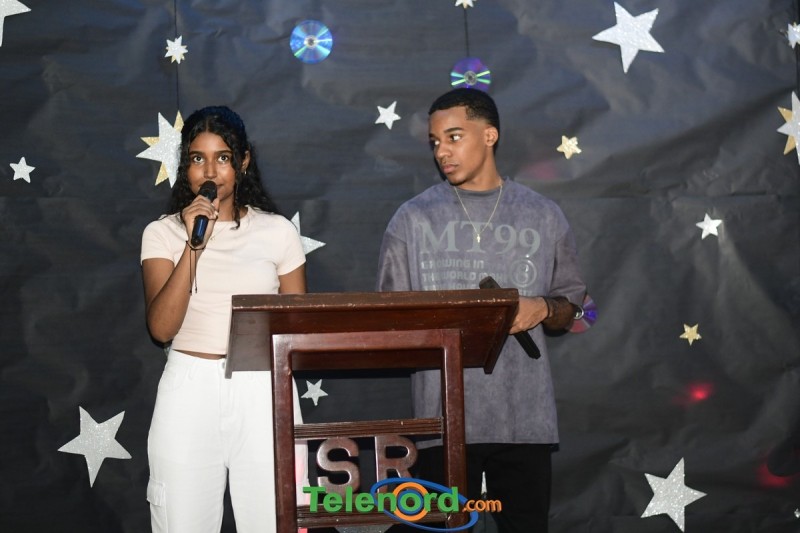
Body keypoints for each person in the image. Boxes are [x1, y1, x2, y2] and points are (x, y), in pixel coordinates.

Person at [376, 88, 587, 532]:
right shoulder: (411, 219)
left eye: (454, 137)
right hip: (442, 423)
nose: (442, 151)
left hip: (525, 420)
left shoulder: (543, 214)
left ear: (489, 135)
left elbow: (570, 306)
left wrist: (541, 307)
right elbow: (388, 320)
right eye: (435, 142)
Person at [140, 106, 308, 533]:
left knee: (277, 519)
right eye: (198, 158)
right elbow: (161, 328)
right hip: (189, 387)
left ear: (243, 161)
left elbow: (299, 329)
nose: (210, 171)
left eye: (223, 157)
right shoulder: (162, 233)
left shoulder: (277, 232)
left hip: (264, 384)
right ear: (186, 165)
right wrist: (194, 246)